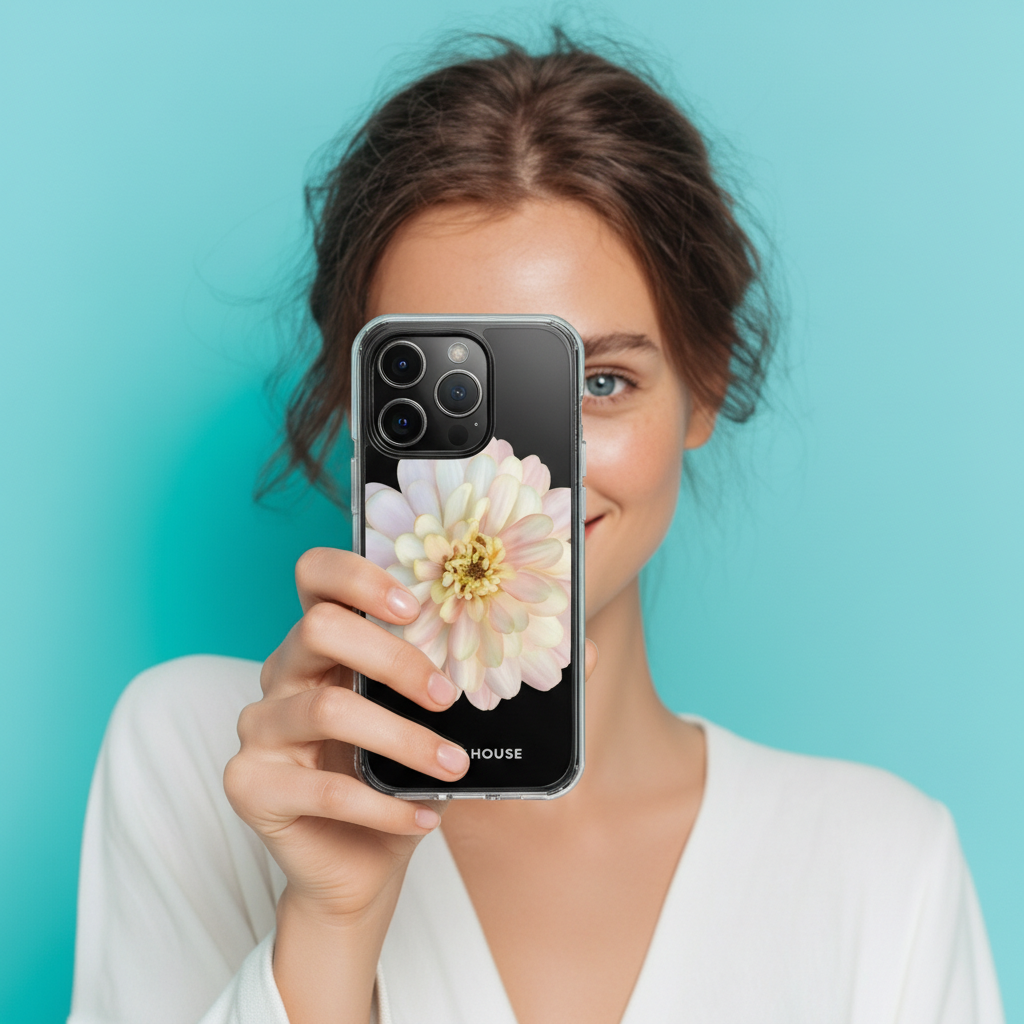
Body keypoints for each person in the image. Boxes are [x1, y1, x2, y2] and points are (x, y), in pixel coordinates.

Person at [68, 34, 1004, 1024]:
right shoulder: (203, 759)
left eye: (600, 382)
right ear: (357, 405)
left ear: (703, 387)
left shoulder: (884, 866)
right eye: (453, 396)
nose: (524, 479)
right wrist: (332, 928)